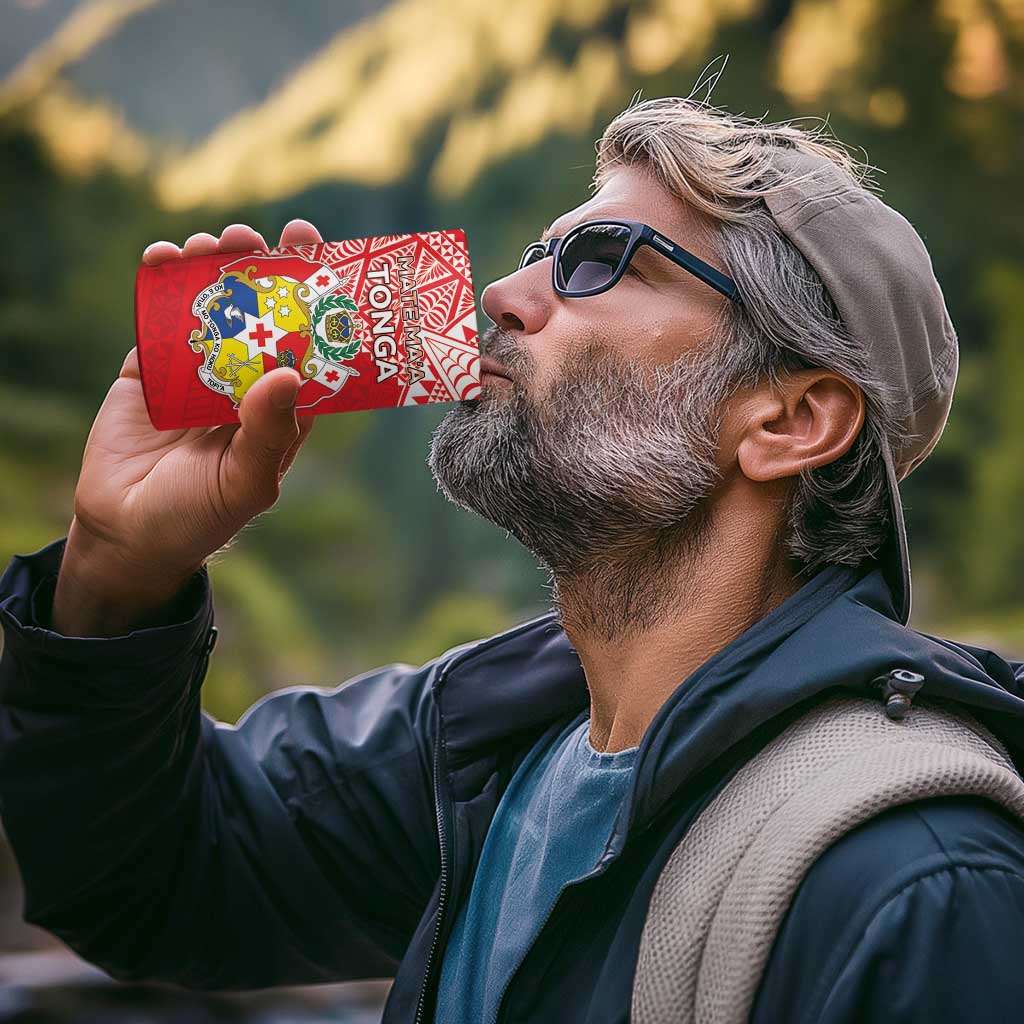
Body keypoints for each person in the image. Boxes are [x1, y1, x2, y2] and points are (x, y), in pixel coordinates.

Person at [2, 95, 1024, 1024]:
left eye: (601, 261)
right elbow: (149, 879)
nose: (501, 292)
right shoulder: (482, 747)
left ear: (790, 421)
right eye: (541, 252)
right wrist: (116, 573)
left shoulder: (919, 887)